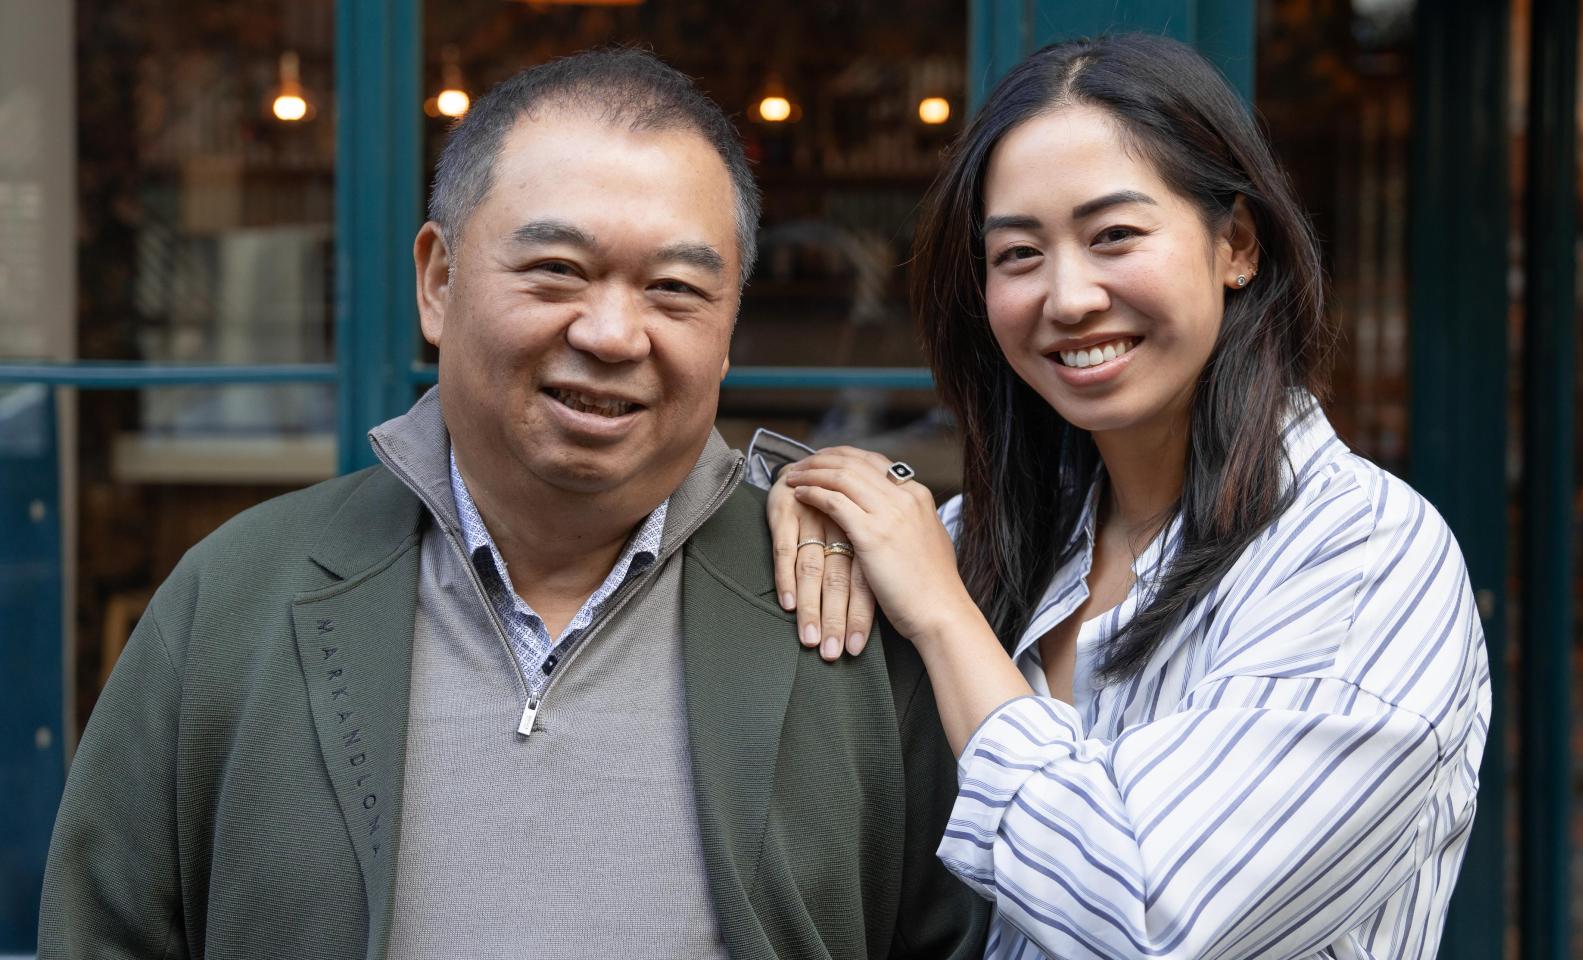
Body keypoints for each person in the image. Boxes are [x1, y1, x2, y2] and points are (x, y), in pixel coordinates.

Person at [39, 49, 986, 960]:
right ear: (438, 281)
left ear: (729, 327)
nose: (613, 334)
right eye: (558, 271)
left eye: (674, 289)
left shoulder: (839, 613)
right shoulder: (238, 596)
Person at [762, 33, 1491, 959]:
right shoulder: (990, 539)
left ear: (1236, 244)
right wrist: (820, 507)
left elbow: (1147, 917)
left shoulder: (1362, 555)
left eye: (1114, 236)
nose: (1067, 297)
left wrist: (946, 618)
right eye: (1018, 254)